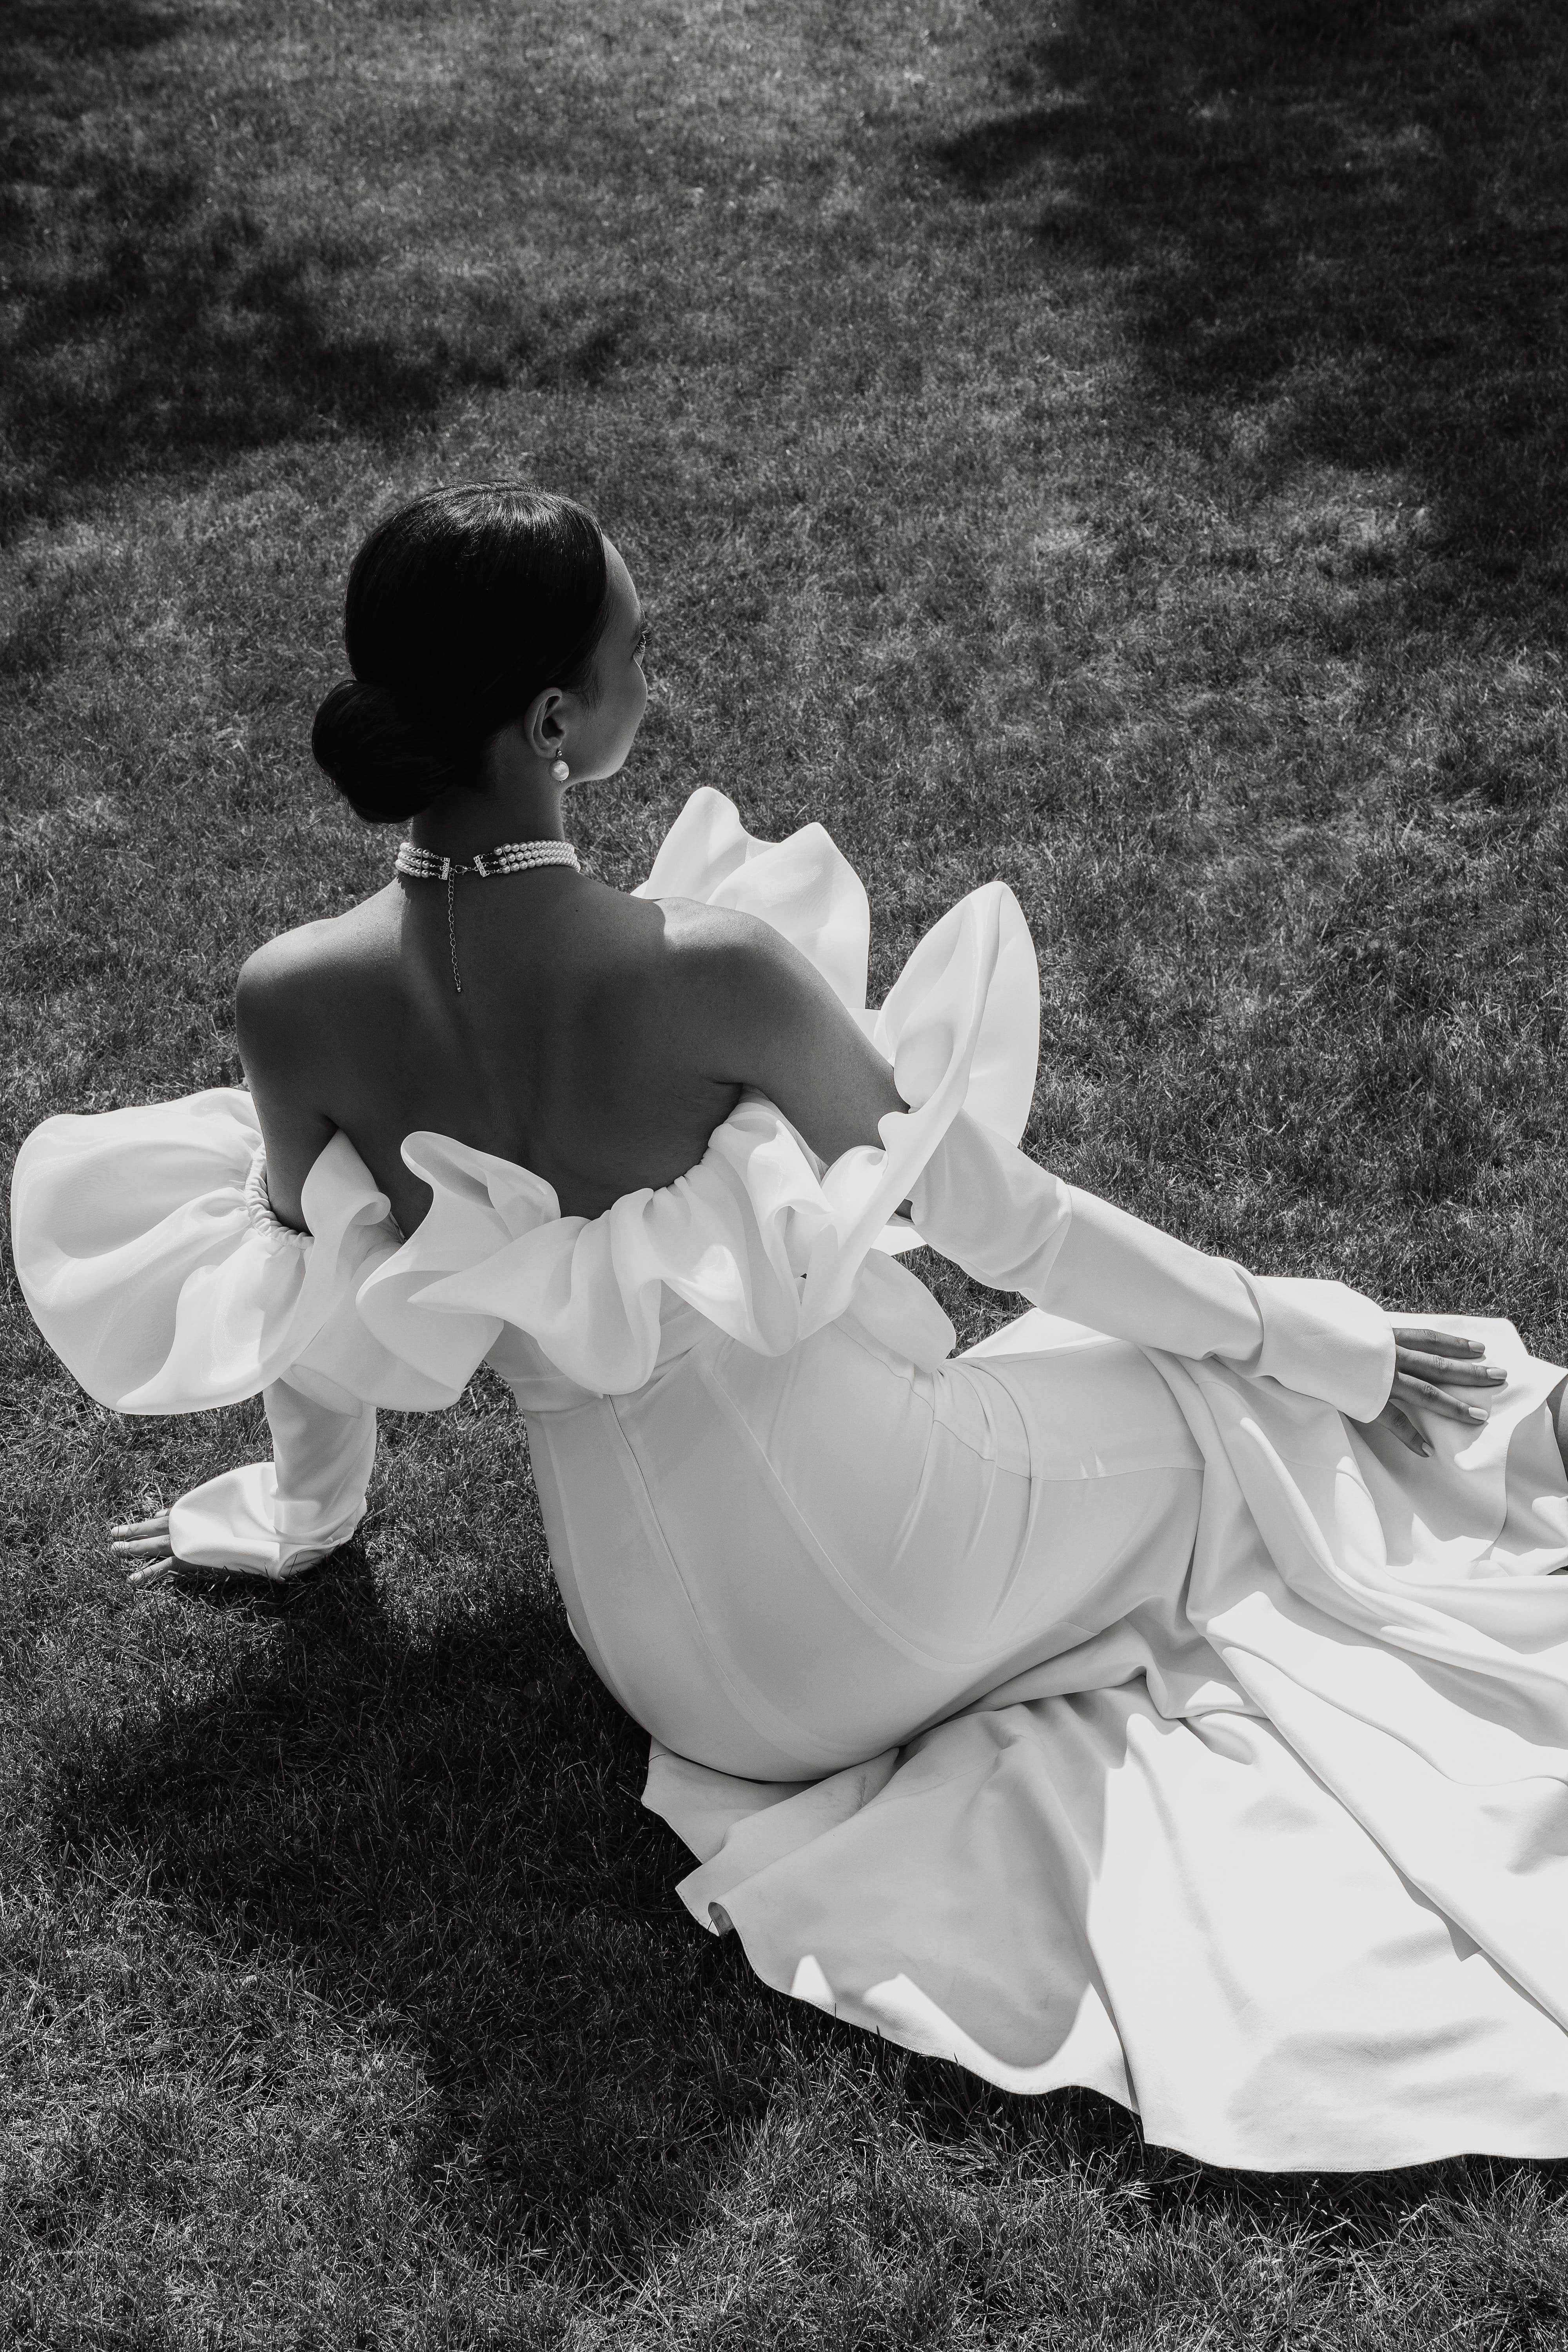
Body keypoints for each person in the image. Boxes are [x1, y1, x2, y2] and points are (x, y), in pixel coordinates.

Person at [13, 485, 1568, 2173]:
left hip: (668, 1678)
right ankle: (1344, 1405)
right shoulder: (712, 968)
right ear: (551, 721)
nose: (650, 677)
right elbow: (1010, 1226)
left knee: (1080, 1385)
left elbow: (302, 1308)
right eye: (634, 651)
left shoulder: (292, 997)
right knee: (1212, 1401)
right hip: (888, 1572)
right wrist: (1304, 1334)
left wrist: (299, 1518)